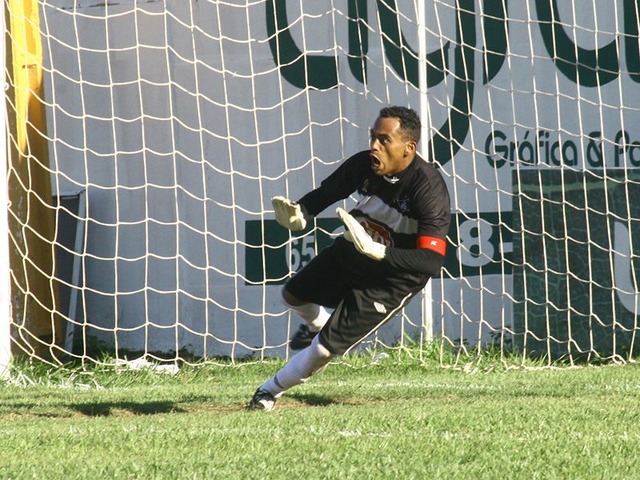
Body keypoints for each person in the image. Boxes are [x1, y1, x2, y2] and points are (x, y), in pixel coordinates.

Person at [247, 106, 451, 411]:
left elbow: (431, 262)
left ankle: (268, 391)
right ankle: (324, 325)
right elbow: (327, 192)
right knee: (292, 295)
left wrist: (380, 252)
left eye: (384, 140)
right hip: (355, 251)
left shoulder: (429, 189)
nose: (374, 146)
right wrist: (301, 214)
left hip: (393, 279)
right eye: (373, 137)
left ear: (409, 148)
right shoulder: (364, 165)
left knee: (325, 350)